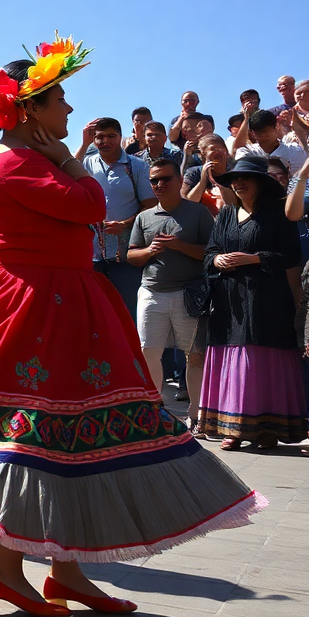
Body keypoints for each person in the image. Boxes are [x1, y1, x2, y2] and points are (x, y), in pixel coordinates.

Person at [0, 35, 262, 617]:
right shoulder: (14, 166)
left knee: (62, 439)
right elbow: (90, 206)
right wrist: (68, 159)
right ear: (28, 111)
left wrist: (63, 160)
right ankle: (8, 573)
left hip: (53, 300)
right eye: (58, 99)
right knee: (33, 437)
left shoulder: (12, 163)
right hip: (37, 305)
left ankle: (63, 572)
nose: (69, 112)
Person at [199, 156, 307, 451]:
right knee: (233, 356)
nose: (238, 183)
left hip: (267, 300)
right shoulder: (225, 214)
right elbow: (209, 252)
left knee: (259, 359)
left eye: (245, 177)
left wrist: (254, 258)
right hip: (229, 300)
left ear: (261, 182)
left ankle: (265, 429)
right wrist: (217, 259)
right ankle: (231, 428)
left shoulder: (277, 213)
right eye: (234, 179)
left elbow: (291, 255)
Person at [126, 159, 213, 430]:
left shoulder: (198, 213)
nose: (160, 185)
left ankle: (196, 415)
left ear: (179, 181)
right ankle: (155, 411)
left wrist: (180, 246)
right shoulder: (144, 217)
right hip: (152, 292)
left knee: (194, 354)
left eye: (165, 179)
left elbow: (211, 254)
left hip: (189, 293)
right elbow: (130, 255)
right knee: (147, 351)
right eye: (154, 180)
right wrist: (150, 251)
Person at [79, 118, 157, 318]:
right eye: (99, 137)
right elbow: (62, 175)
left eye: (111, 136)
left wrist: (125, 224)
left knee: (127, 314)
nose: (105, 141)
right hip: (92, 255)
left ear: (120, 137)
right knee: (94, 314)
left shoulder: (137, 166)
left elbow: (149, 205)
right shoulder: (86, 162)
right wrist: (84, 143)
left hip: (125, 257)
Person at [184, 134, 234, 215]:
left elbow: (234, 204)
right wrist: (203, 181)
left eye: (221, 149)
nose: (218, 152)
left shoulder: (234, 172)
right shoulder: (193, 172)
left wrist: (216, 182)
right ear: (203, 155)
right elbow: (187, 204)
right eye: (213, 149)